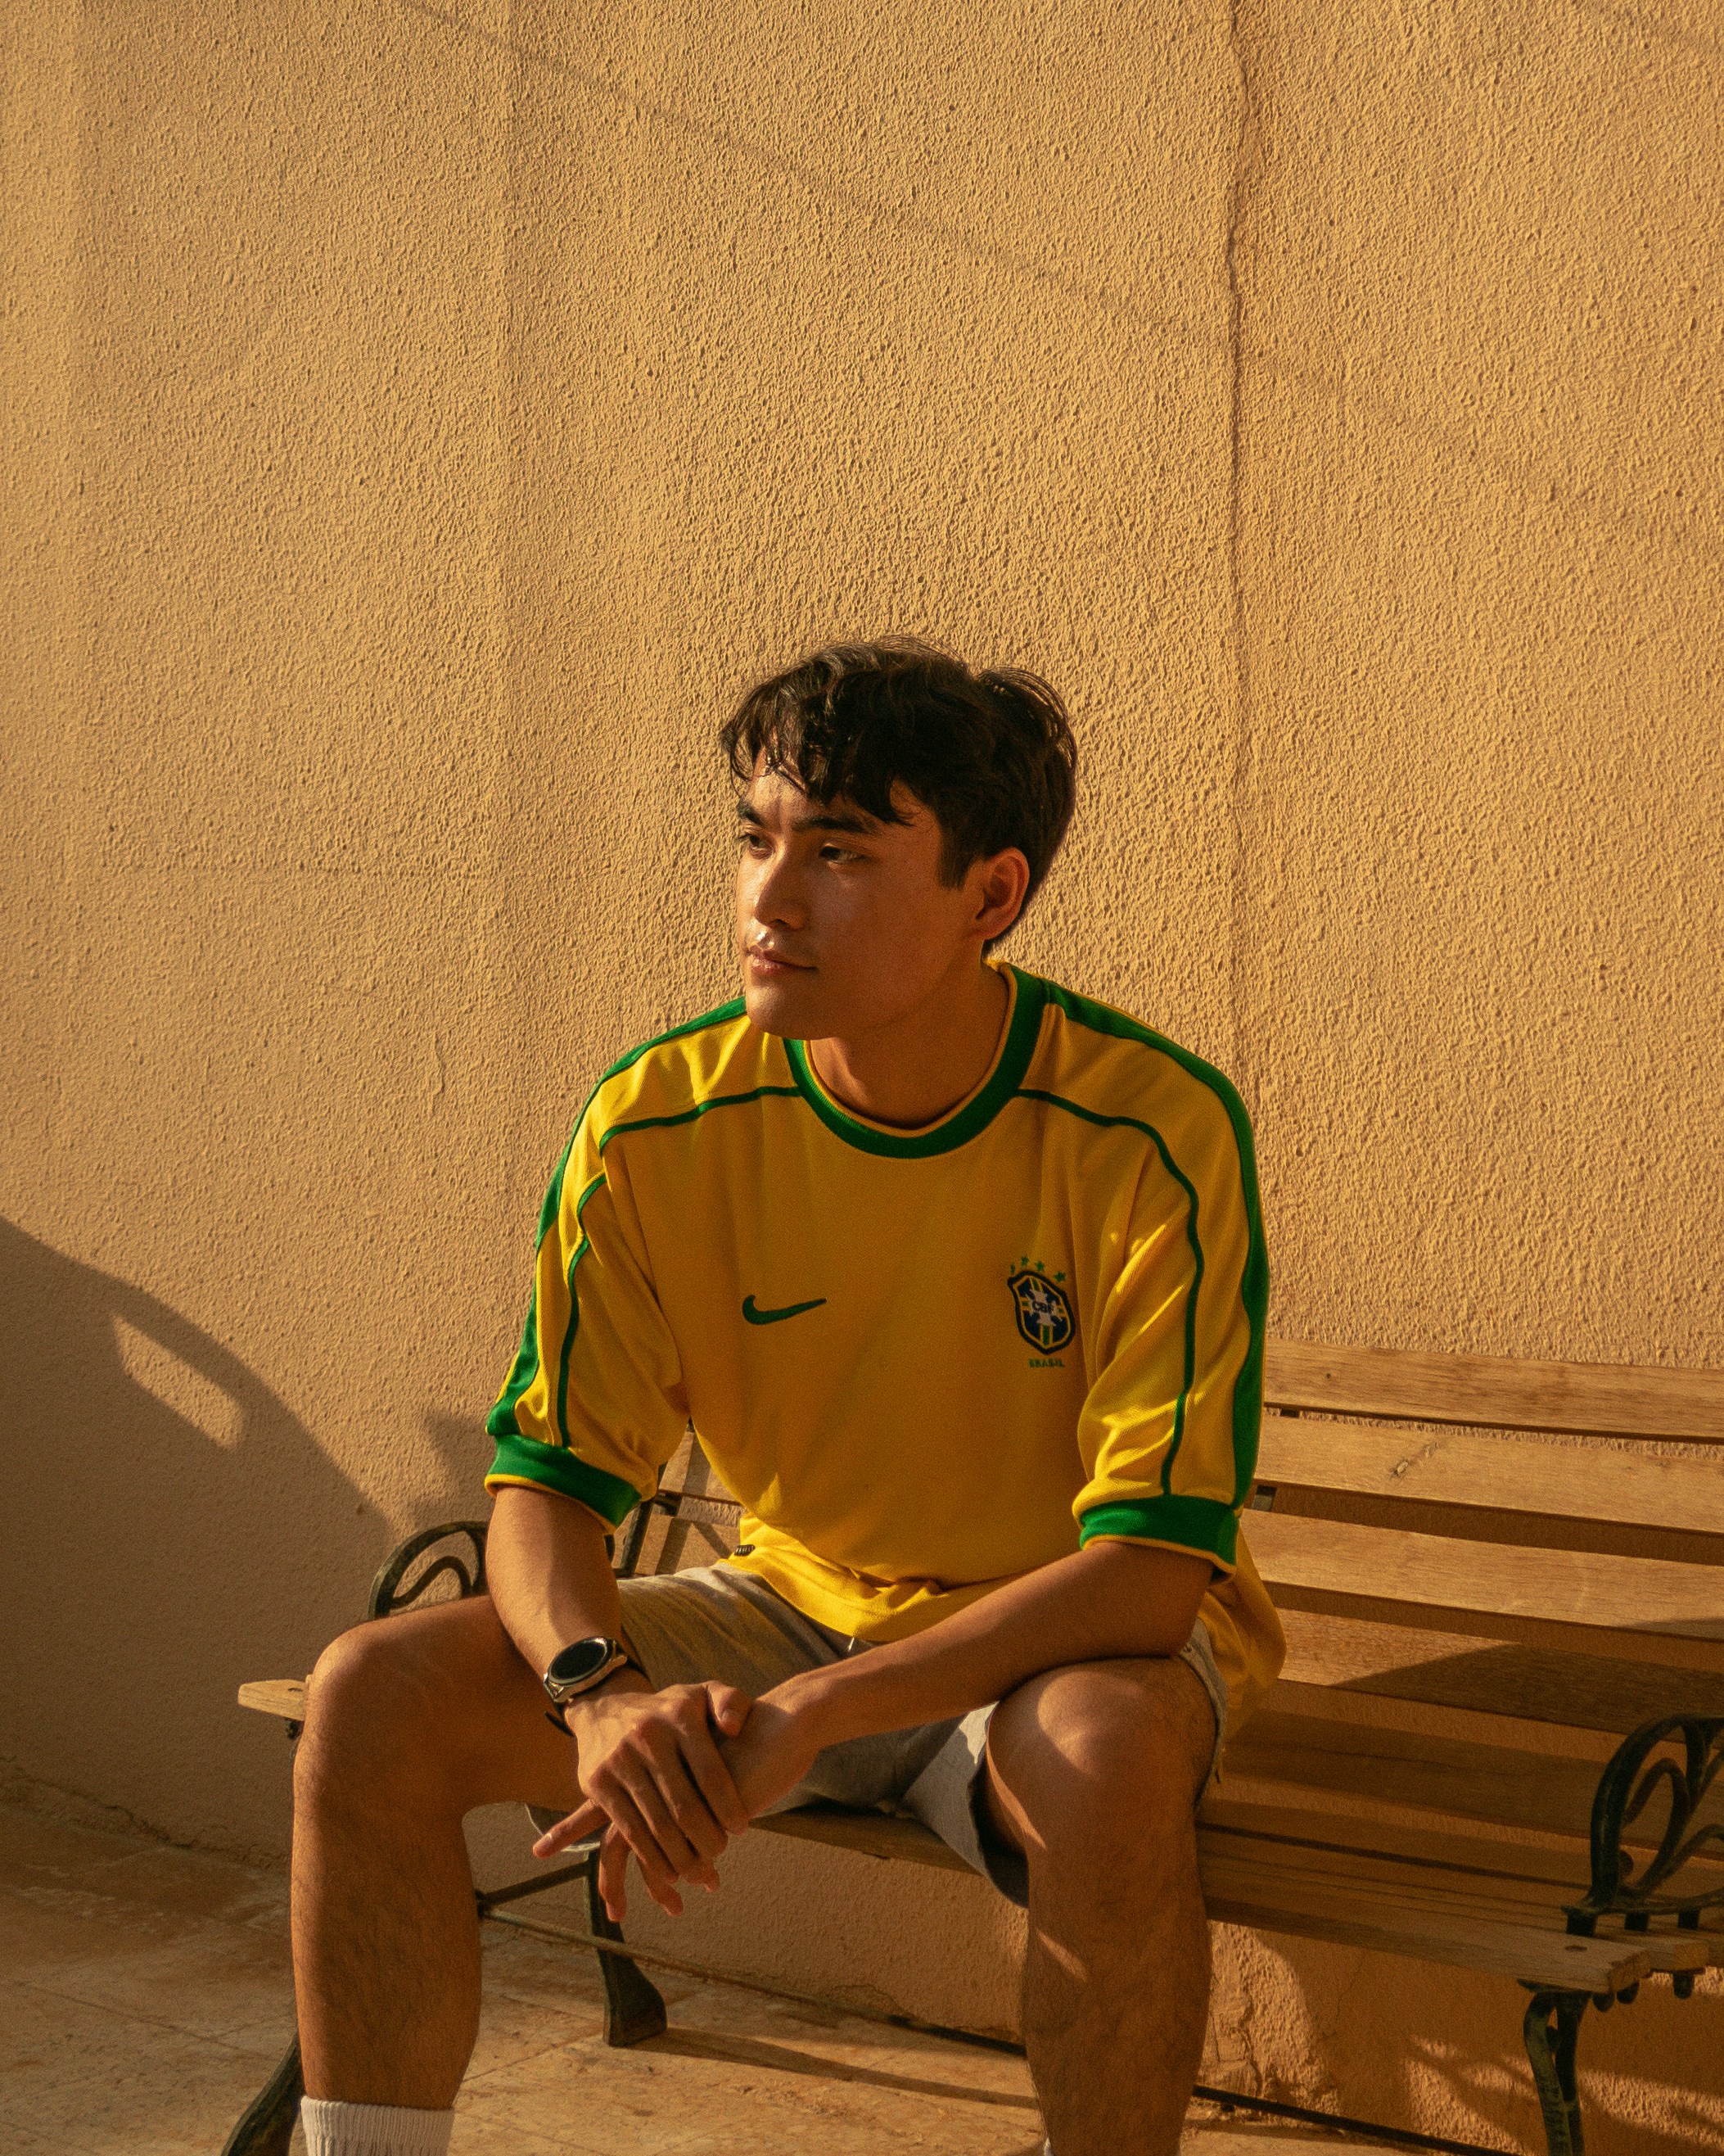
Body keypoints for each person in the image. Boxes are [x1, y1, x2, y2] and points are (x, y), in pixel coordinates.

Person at [289, 638, 1284, 2156]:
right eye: (755, 838)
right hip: (794, 1603)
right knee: (373, 1693)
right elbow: (547, 1484)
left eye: (839, 851)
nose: (771, 895)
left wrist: (814, 1715)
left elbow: (1148, 1574)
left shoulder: (1148, 1129)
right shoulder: (655, 1122)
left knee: (1104, 1753)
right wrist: (597, 1689)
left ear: (990, 896)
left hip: (1049, 1646)